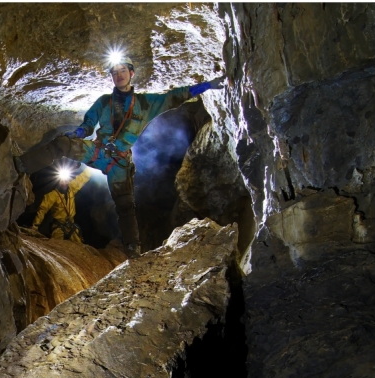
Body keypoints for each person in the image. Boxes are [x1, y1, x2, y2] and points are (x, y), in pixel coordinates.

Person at [16, 55, 225, 257]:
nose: (119, 75)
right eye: (115, 72)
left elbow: (172, 97)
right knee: (61, 144)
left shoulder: (145, 104)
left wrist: (205, 86)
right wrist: (78, 133)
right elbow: (88, 124)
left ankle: (133, 247)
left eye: (123, 70)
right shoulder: (104, 102)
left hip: (119, 161)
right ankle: (22, 165)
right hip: (98, 151)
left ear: (131, 73)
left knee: (125, 203)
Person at [27, 167, 94, 244]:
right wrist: (35, 225)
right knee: (57, 245)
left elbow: (82, 178)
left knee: (79, 246)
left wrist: (90, 168)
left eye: (66, 180)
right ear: (59, 181)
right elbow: (42, 210)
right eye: (62, 181)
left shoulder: (71, 189)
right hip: (59, 226)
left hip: (71, 226)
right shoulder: (52, 195)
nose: (64, 183)